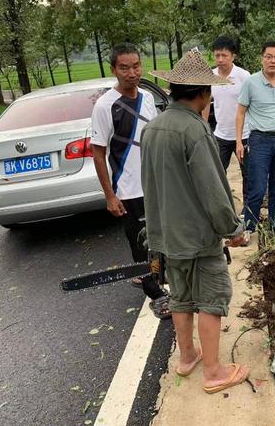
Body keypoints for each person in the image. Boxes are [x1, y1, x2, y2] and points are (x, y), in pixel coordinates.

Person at [141, 49, 250, 394]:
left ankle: (187, 357)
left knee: (181, 297)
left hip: (167, 233)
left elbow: (150, 185)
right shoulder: (196, 131)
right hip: (198, 236)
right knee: (211, 298)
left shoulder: (153, 128)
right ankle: (215, 372)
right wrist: (233, 230)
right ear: (203, 93)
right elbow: (213, 190)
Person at [90, 42, 170, 320]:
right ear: (114, 70)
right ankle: (156, 295)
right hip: (129, 189)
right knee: (140, 244)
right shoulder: (105, 106)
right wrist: (110, 195)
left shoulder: (147, 98)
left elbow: (157, 137)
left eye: (136, 66)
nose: (132, 72)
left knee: (162, 238)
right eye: (124, 68)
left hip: (156, 185)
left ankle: (156, 276)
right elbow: (98, 154)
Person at [235, 41, 275, 235]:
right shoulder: (251, 83)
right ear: (262, 58)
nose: (273, 61)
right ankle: (249, 227)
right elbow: (240, 113)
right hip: (259, 141)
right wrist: (239, 142)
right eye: (268, 56)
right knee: (258, 186)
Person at [201, 36, 251, 214]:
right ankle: (220, 209)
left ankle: (248, 211)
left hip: (244, 135)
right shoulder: (211, 76)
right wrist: (204, 126)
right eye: (217, 55)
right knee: (217, 173)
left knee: (248, 175)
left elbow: (252, 104)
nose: (220, 60)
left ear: (233, 56)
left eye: (224, 55)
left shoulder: (244, 77)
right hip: (220, 135)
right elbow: (206, 103)